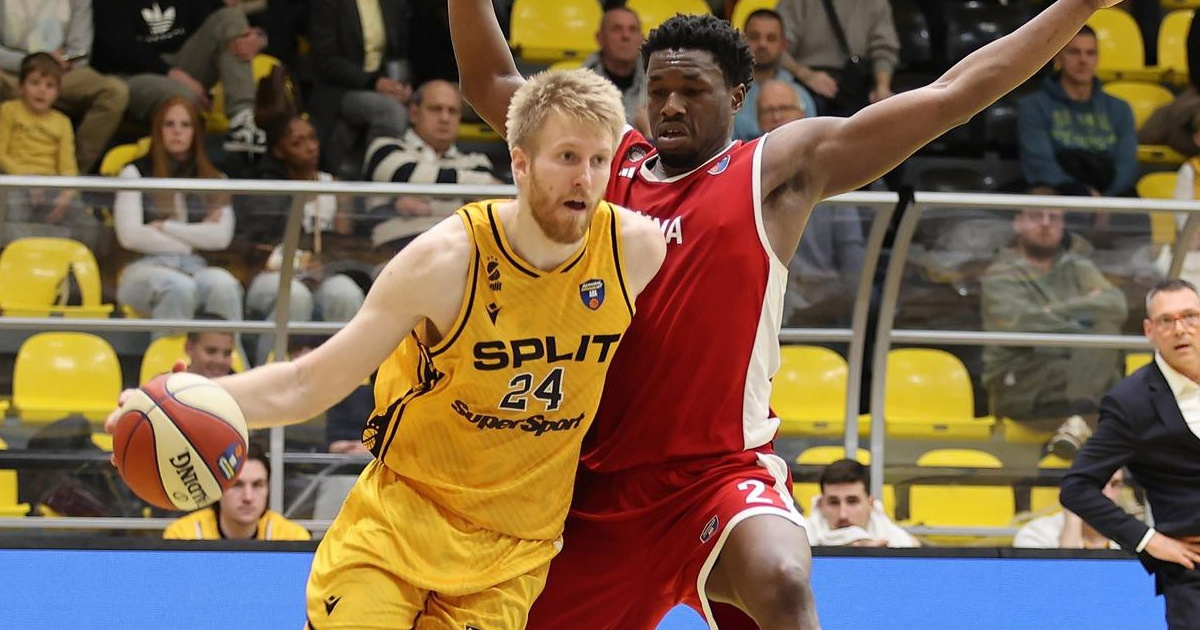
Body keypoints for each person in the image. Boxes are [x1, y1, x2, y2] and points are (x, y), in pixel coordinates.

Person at [450, 1, 1123, 628]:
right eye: (658, 91)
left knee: (782, 579)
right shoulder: (605, 167)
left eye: (692, 90)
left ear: (736, 97)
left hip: (718, 476)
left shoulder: (773, 171)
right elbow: (493, 84)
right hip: (595, 486)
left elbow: (951, 95)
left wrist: (1076, 7)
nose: (671, 106)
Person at [107, 68, 666, 629]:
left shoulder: (636, 251)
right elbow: (308, 383)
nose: (584, 179)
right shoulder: (447, 261)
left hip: (511, 554)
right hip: (399, 527)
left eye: (599, 160)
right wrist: (183, 401)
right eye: (567, 157)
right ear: (520, 163)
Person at [1061, 278, 1200, 630]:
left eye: (1190, 316)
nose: (1180, 329)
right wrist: (1149, 541)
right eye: (1166, 320)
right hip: (1193, 574)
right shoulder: (1131, 402)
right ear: (1149, 331)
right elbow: (1076, 487)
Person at [981, 203, 1128, 458]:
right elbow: (1022, 326)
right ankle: (1082, 423)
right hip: (1020, 377)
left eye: (1054, 217)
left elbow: (1116, 306)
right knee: (1117, 383)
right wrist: (1083, 321)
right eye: (1036, 216)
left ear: (1063, 225)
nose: (1046, 224)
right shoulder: (1000, 274)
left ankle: (1076, 424)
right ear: (1018, 223)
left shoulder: (1077, 266)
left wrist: (1054, 310)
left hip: (1072, 377)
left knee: (1105, 329)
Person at [113, 96, 245, 328]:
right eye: (169, 124)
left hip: (195, 266)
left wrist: (166, 227)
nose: (177, 132)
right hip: (144, 268)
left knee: (223, 285)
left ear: (196, 132)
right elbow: (130, 236)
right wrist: (191, 241)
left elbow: (220, 238)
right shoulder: (134, 173)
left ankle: (232, 352)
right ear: (158, 130)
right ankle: (168, 352)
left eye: (185, 125)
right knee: (178, 287)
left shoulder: (215, 179)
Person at [244, 113, 365, 364]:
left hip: (322, 275)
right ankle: (269, 372)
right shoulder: (269, 188)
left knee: (346, 293)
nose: (310, 147)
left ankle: (342, 376)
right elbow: (255, 246)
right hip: (272, 274)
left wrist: (324, 261)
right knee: (294, 296)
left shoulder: (335, 187)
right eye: (297, 142)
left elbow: (343, 243)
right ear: (278, 151)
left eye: (312, 138)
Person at [91, 0, 266, 153]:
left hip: (181, 63)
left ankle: (242, 122)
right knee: (182, 98)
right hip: (131, 75)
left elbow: (223, 18)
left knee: (231, 19)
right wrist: (171, 73)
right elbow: (119, 49)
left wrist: (258, 38)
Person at [361, 79, 502, 254]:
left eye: (452, 111)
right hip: (396, 253)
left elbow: (487, 209)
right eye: (435, 109)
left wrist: (426, 207)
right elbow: (410, 176)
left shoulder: (477, 162)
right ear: (414, 113)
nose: (444, 118)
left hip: (463, 253)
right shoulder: (384, 148)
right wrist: (463, 198)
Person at [0, 0, 129, 173]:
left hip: (62, 72)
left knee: (115, 92)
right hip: (12, 70)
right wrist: (35, 62)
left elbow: (80, 52)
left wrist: (55, 64)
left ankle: (72, 176)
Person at [1017, 25, 1137, 197]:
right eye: (1074, 52)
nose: (1083, 60)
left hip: (1110, 197)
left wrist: (1105, 201)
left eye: (1090, 53)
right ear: (1058, 56)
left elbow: (1126, 167)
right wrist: (1085, 195)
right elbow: (1041, 166)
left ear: (1097, 58)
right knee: (1041, 196)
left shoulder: (1120, 109)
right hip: (1060, 195)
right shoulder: (1033, 106)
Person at [0, 52, 100, 248]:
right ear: (20, 86)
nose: (42, 91)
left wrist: (67, 195)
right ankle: (30, 250)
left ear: (58, 92)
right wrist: (25, 178)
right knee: (13, 211)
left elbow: (68, 166)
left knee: (89, 227)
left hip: (50, 185)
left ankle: (53, 247)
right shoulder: (8, 110)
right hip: (15, 182)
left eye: (50, 86)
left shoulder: (62, 122)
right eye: (35, 83)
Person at [308, 0, 411, 176]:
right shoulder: (328, 4)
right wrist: (374, 82)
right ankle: (379, 177)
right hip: (340, 88)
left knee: (428, 99)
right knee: (391, 112)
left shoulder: (392, 3)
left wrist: (402, 84)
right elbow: (326, 61)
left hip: (383, 85)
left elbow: (399, 52)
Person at [163, 441, 311, 540]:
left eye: (257, 485)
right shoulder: (183, 536)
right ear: (218, 489)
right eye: (237, 485)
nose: (248, 497)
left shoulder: (292, 538)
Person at [775, 0, 899, 116]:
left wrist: (882, 88)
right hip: (804, 83)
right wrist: (806, 75)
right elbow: (776, 47)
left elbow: (884, 49)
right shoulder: (796, 3)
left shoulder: (874, 3)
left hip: (854, 82)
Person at [732, 9, 816, 142]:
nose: (762, 44)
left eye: (771, 38)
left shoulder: (801, 96)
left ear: (783, 45)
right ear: (742, 41)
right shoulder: (729, 94)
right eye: (754, 37)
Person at [805, 459, 918, 548]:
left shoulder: (901, 544)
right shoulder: (800, 542)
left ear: (870, 504)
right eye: (834, 503)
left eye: (852, 502)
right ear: (821, 505)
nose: (843, 515)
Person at [1014, 468, 1128, 549]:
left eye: (1115, 484)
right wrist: (1072, 521)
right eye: (1097, 483)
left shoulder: (1130, 535)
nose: (1107, 494)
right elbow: (1066, 575)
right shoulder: (1036, 534)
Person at [583, 4, 649, 135]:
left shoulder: (657, 86)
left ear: (642, 39)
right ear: (600, 38)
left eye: (633, 29)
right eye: (617, 29)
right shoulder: (579, 89)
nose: (626, 36)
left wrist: (649, 134)